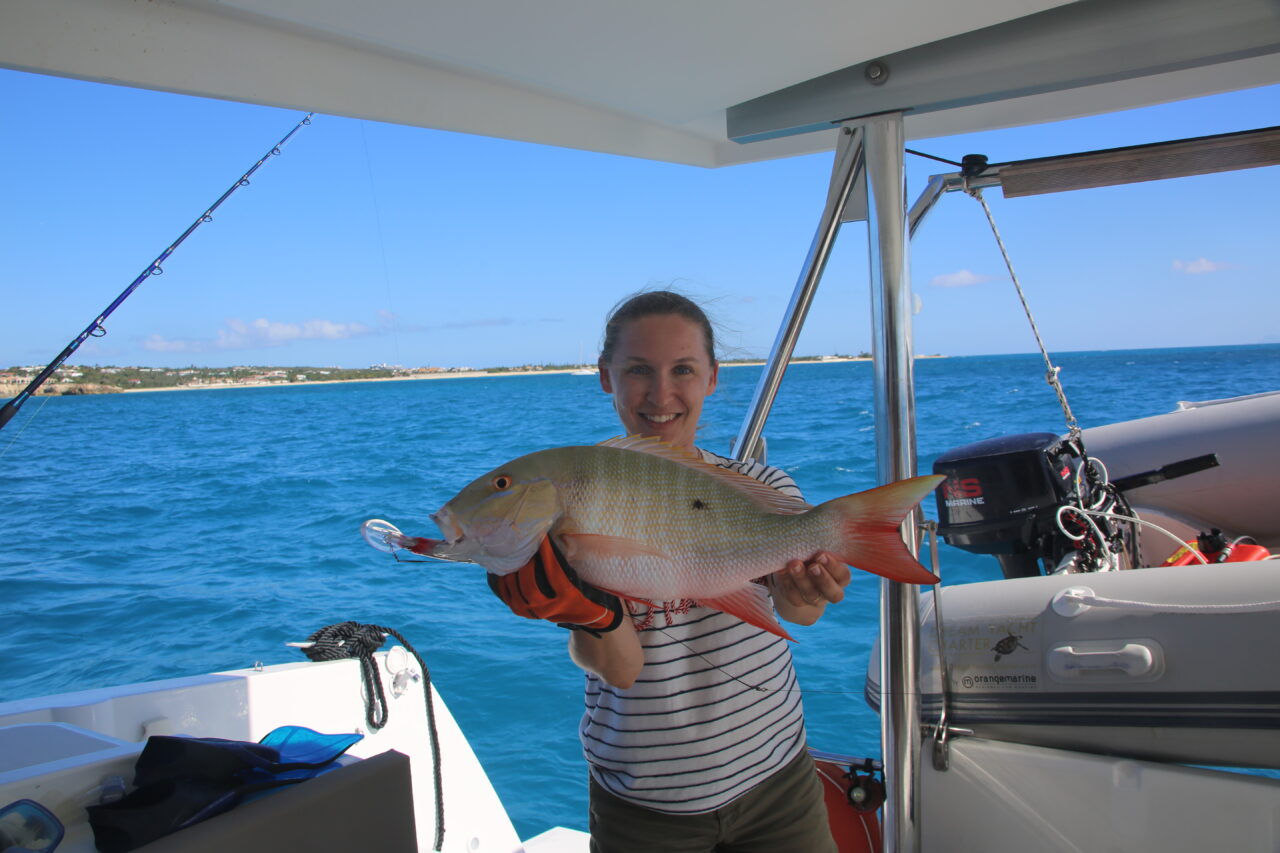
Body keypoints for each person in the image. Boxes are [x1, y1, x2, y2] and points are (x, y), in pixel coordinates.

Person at [489, 291, 847, 852]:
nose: (661, 394)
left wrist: (812, 587)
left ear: (711, 377)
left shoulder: (767, 490)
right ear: (605, 377)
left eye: (682, 369)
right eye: (637, 370)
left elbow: (800, 612)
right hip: (643, 803)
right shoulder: (568, 504)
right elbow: (621, 668)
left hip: (777, 780)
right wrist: (586, 615)